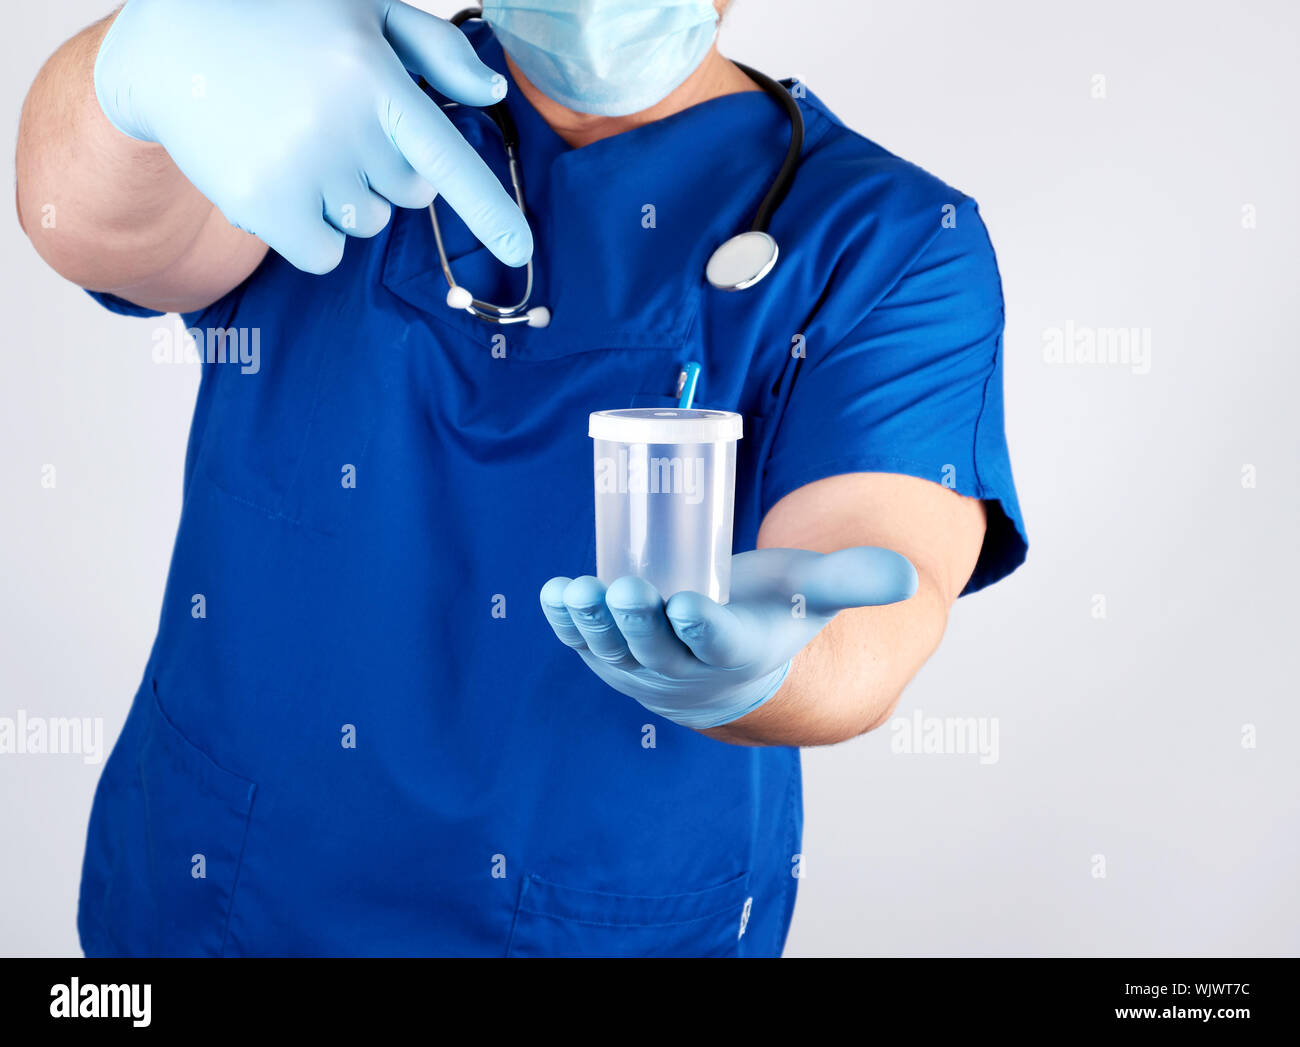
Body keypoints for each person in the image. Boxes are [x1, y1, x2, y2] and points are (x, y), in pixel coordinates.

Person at [16, 0, 1027, 958]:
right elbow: (85, 225)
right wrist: (142, 58)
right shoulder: (329, 93)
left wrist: (775, 663)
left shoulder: (890, 239)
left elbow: (877, 581)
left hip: (597, 913)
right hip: (231, 892)